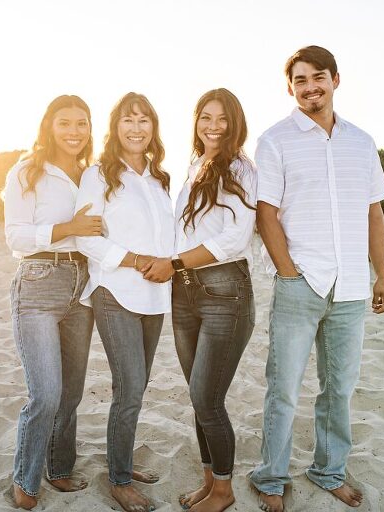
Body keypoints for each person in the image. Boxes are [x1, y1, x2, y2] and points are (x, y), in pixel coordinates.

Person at [249, 46, 384, 511]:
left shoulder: (362, 142)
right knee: (284, 389)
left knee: (339, 389)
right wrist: (289, 272)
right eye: (300, 80)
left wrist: (381, 275)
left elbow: (374, 212)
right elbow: (265, 214)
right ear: (290, 87)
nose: (310, 87)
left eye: (318, 77)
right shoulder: (275, 140)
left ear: (335, 79)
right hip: (300, 284)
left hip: (351, 286)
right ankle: (270, 478)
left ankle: (328, 470)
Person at [74, 92, 175, 512]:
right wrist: (135, 260)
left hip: (155, 294)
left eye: (144, 120)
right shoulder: (98, 176)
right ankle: (118, 479)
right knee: (130, 385)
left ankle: (122, 460)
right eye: (128, 120)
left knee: (135, 386)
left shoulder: (160, 178)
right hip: (114, 291)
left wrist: (167, 264)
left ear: (153, 127)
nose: (136, 128)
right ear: (115, 128)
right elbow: (86, 236)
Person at [3, 95, 101, 509]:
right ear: (49, 125)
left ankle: (59, 469)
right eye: (65, 123)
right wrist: (68, 228)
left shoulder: (94, 174)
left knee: (72, 391)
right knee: (45, 393)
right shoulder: (27, 171)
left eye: (82, 123)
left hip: (83, 283)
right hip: (40, 281)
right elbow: (16, 237)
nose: (74, 131)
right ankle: (25, 481)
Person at [162, 88, 256, 512]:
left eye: (222, 118)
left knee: (207, 397)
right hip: (184, 290)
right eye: (205, 117)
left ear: (234, 123)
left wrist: (176, 260)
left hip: (224, 291)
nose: (213, 125)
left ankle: (224, 490)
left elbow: (234, 238)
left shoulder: (241, 167)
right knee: (196, 394)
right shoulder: (194, 166)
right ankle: (207, 480)